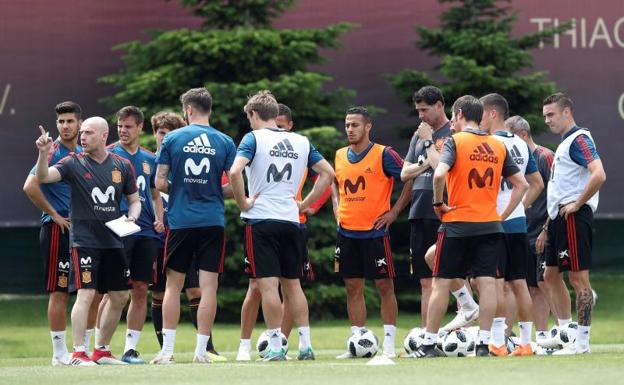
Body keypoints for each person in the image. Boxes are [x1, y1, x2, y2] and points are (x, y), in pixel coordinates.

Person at [413, 95, 528, 358]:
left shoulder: (456, 141)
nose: (452, 121)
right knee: (487, 283)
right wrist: (502, 215)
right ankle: (484, 344)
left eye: (454, 116)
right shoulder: (497, 145)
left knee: (441, 282)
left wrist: (438, 203)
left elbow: (439, 173)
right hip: (489, 224)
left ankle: (429, 343)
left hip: (457, 222)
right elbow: (522, 184)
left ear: (461, 114)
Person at [230, 91, 334, 361]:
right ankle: (306, 345)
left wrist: (243, 203)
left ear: (254, 115)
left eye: (249, 117)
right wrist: (305, 203)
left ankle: (276, 345)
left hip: (262, 219)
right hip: (291, 220)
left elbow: (234, 171)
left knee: (267, 286)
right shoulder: (300, 140)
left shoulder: (253, 138)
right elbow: (328, 173)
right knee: (293, 286)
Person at [35, 116, 141, 366]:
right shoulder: (73, 162)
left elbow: (134, 200)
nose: (82, 137)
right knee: (87, 293)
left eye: (88, 132)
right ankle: (78, 353)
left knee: (119, 296)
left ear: (104, 136)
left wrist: (132, 218)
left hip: (114, 239)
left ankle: (101, 351)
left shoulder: (122, 165)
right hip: (85, 240)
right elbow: (43, 177)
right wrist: (42, 154)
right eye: (81, 132)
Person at [151, 88, 236, 364]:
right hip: (212, 221)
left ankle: (167, 352)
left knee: (173, 286)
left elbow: (160, 182)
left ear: (188, 109)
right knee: (209, 287)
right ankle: (202, 352)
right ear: (209, 109)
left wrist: (182, 190)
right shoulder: (224, 141)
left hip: (181, 222)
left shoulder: (172, 138)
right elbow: (234, 187)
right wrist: (211, 191)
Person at [332, 106, 412, 359]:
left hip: (375, 233)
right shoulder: (339, 155)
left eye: (355, 125)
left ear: (368, 127)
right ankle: (358, 341)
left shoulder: (383, 154)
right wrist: (337, 206)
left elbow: (408, 178)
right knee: (352, 287)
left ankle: (388, 345)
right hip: (347, 232)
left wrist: (394, 212)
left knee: (384, 285)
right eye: (346, 125)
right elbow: (333, 183)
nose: (350, 130)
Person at [480, 94, 543, 356]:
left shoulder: (488, 143)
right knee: (519, 283)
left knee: (496, 283)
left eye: (481, 114)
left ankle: (497, 341)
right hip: (517, 221)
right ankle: (526, 343)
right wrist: (520, 207)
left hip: (495, 220)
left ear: (493, 113)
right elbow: (536, 182)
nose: (479, 120)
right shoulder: (519, 141)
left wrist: (502, 213)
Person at [542, 93, 606, 355]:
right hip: (558, 218)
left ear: (567, 112)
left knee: (578, 280)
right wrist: (547, 225)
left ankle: (582, 344)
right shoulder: (566, 142)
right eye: (544, 115)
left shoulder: (579, 138)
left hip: (573, 217)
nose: (546, 120)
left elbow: (599, 174)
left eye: (551, 114)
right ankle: (567, 333)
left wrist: (578, 203)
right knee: (549, 276)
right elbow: (560, 188)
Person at [23, 101, 82, 365]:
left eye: (70, 121)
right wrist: (55, 215)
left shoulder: (82, 152)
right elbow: (30, 186)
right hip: (59, 228)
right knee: (59, 291)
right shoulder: (52, 150)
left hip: (84, 229)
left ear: (79, 123)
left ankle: (83, 350)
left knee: (88, 289)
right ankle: (59, 354)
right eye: (61, 121)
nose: (65, 126)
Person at [104, 106, 164, 364]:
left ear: (140, 128)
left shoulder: (150, 159)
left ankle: (130, 348)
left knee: (141, 288)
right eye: (119, 126)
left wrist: (160, 218)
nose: (123, 130)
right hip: (117, 228)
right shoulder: (107, 155)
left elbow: (154, 194)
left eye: (128, 126)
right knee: (110, 291)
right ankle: (99, 346)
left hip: (146, 230)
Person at [506, 115, 568, 346]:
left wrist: (546, 230)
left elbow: (558, 194)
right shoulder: (517, 160)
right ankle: (541, 338)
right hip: (524, 230)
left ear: (523, 135)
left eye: (510, 136)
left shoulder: (545, 157)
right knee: (532, 286)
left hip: (544, 230)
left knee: (546, 281)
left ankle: (565, 332)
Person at [400, 86, 452, 329]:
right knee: (425, 281)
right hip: (419, 210)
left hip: (444, 209)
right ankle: (426, 335)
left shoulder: (453, 131)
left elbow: (443, 168)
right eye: (418, 110)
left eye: (425, 109)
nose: (420, 115)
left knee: (455, 276)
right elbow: (404, 173)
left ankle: (462, 332)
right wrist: (424, 164)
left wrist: (429, 145)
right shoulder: (418, 134)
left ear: (440, 105)